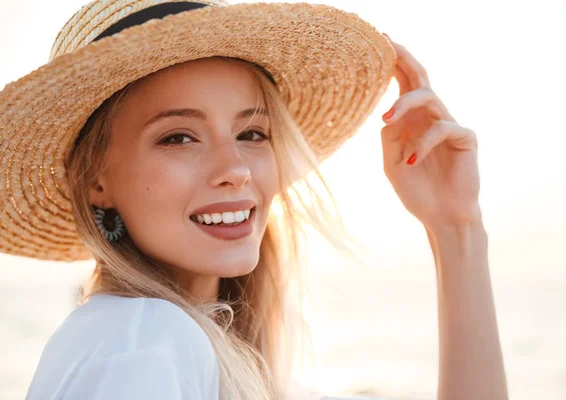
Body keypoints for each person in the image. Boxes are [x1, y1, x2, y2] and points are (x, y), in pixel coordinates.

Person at [0, 0, 509, 399]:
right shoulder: (144, 340)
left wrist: (456, 226)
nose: (236, 170)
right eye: (179, 137)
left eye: (252, 133)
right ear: (96, 179)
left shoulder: (208, 355)